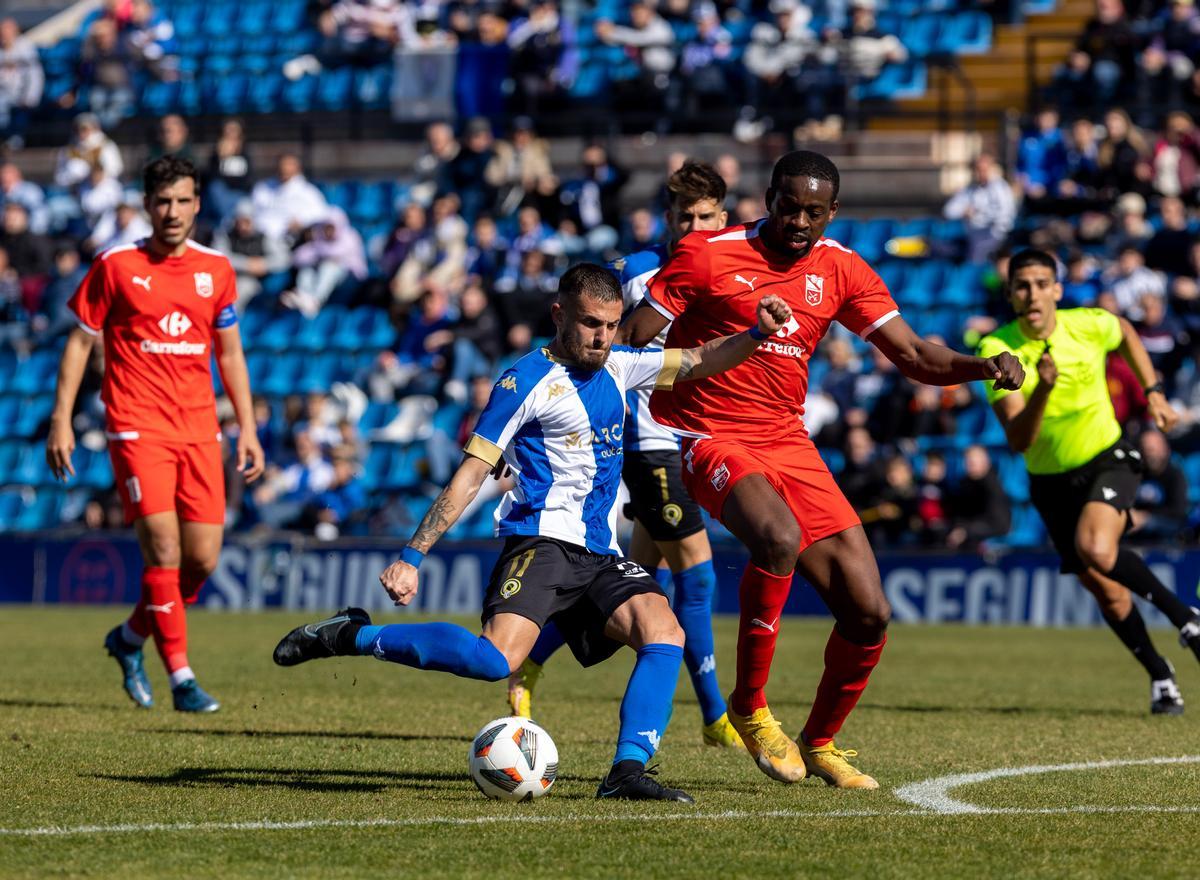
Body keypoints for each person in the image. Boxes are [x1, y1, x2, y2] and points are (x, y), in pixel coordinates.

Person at [272, 263, 794, 803]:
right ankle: (353, 634)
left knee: (664, 635)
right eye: (591, 323)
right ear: (559, 315)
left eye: (613, 325)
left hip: (599, 552)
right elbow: (472, 472)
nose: (603, 337)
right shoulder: (524, 382)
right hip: (541, 542)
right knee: (494, 662)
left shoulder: (618, 365)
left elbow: (697, 361)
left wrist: (757, 333)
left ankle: (627, 772)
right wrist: (412, 555)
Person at [621, 150, 1025, 788]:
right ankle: (750, 705)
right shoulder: (707, 254)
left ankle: (821, 741)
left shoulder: (841, 269)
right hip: (706, 433)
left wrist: (984, 365)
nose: (800, 221)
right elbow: (629, 339)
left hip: (789, 442)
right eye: (789, 206)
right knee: (777, 538)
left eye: (814, 211)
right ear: (769, 199)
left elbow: (916, 354)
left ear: (832, 213)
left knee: (869, 612)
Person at [506, 160, 743, 749]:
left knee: (635, 581)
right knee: (698, 575)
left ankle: (529, 663)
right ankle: (719, 717)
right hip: (648, 444)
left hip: (695, 440)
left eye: (705, 218)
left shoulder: (731, 272)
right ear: (666, 218)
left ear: (724, 219)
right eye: (683, 217)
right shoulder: (636, 275)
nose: (693, 227)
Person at [45, 156, 265, 713]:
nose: (172, 212)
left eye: (183, 200)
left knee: (202, 561)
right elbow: (78, 343)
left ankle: (128, 639)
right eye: (162, 201)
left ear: (197, 204)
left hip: (199, 430)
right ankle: (183, 678)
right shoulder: (116, 265)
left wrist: (248, 429)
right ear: (147, 205)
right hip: (135, 425)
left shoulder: (216, 270)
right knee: (163, 550)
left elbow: (231, 353)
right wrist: (61, 419)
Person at [978, 248, 1200, 715]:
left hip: (1107, 457)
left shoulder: (1090, 323)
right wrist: (1042, 388)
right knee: (1106, 588)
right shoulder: (997, 350)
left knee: (1097, 548)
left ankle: (1186, 619)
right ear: (1012, 294)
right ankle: (1161, 676)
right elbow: (1019, 440)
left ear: (1057, 290)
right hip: (1050, 483)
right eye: (1023, 285)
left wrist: (1153, 391)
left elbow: (1125, 333)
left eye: (1042, 283)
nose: (1033, 293)